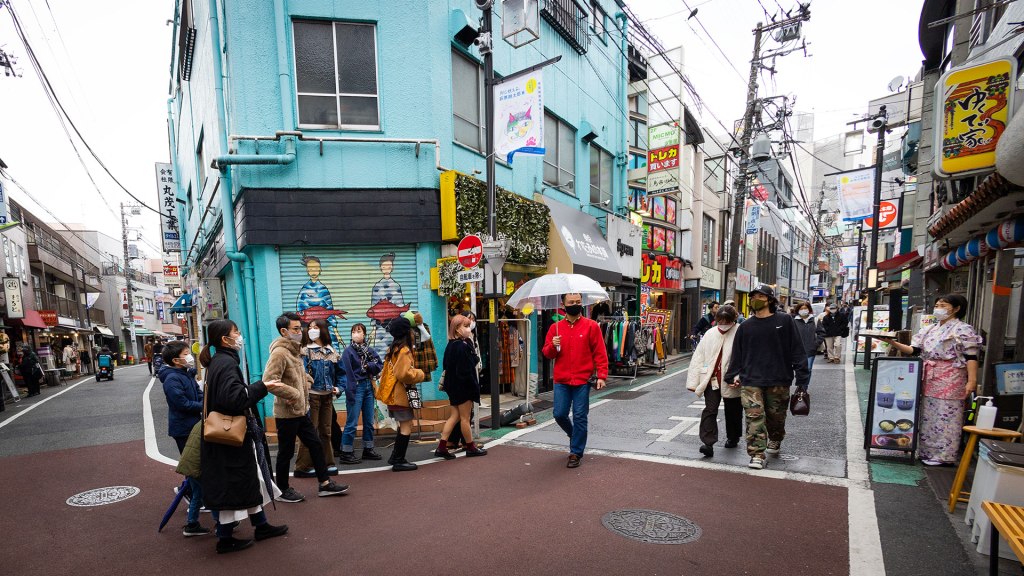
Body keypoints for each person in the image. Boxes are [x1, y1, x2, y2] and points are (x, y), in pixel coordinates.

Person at [198, 319, 288, 554]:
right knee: (235, 486)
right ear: (225, 339)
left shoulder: (218, 362)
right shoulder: (227, 364)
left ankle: (261, 525)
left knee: (252, 479)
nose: (240, 336)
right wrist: (262, 387)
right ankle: (225, 539)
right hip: (230, 438)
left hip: (224, 439)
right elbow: (235, 398)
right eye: (236, 332)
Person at [879, 294, 982, 466]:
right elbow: (914, 350)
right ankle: (926, 452)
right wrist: (892, 342)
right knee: (927, 414)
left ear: (956, 309)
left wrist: (972, 380)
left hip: (952, 376)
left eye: (944, 304)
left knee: (947, 414)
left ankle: (944, 455)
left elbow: (971, 356)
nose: (939, 307)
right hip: (929, 376)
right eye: (937, 304)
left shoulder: (963, 329)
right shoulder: (930, 329)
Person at [263, 312, 348, 502]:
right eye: (295, 329)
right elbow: (269, 381)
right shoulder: (280, 353)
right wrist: (294, 394)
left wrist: (307, 382)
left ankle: (325, 484)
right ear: (284, 331)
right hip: (286, 412)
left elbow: (301, 374)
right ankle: (283, 489)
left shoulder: (295, 351)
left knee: (315, 444)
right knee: (286, 451)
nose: (300, 331)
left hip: (301, 410)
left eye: (299, 328)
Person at [724, 285, 810, 470]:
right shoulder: (745, 326)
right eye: (753, 296)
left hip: (779, 379)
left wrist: (802, 380)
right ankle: (756, 454)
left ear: (770, 300)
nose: (755, 299)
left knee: (775, 418)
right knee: (754, 417)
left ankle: (776, 438)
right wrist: (731, 375)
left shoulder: (785, 321)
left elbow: (797, 350)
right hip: (751, 380)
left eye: (760, 296)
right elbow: (737, 354)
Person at [541, 293, 609, 468]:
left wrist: (601, 375)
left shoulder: (591, 326)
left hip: (583, 379)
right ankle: (574, 435)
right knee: (559, 414)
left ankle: (575, 452)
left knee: (580, 416)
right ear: (563, 305)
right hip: (562, 379)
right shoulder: (555, 328)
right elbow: (547, 354)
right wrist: (553, 345)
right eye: (571, 302)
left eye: (578, 302)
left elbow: (600, 352)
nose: (575, 305)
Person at [159, 340, 209, 537]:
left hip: (193, 426)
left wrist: (203, 401)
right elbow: (182, 403)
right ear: (175, 360)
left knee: (197, 473)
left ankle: (194, 519)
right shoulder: (172, 379)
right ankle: (202, 518)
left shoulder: (185, 374)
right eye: (186, 353)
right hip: (184, 429)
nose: (190, 356)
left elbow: (197, 395)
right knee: (198, 473)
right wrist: (204, 406)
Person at [686, 305, 742, 457]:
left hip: (732, 379)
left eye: (727, 321)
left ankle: (733, 436)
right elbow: (698, 357)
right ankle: (708, 443)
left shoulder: (740, 332)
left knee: (733, 411)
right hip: (711, 379)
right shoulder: (710, 333)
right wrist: (693, 382)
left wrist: (740, 377)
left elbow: (745, 359)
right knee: (710, 410)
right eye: (720, 320)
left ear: (733, 319)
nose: (723, 324)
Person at [294, 318, 345, 474]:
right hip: (312, 397)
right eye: (310, 327)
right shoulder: (305, 351)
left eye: (315, 327)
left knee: (326, 431)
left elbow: (341, 373)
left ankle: (327, 463)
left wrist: (339, 387)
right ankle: (303, 466)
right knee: (310, 431)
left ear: (323, 329)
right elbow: (300, 374)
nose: (312, 329)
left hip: (327, 397)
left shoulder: (332, 351)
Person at [434, 314, 487, 460]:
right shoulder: (462, 346)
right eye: (465, 326)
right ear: (457, 329)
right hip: (463, 387)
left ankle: (442, 446)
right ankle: (470, 447)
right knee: (465, 418)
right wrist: (473, 389)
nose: (469, 328)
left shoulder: (451, 345)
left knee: (455, 416)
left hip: (453, 387)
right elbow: (467, 368)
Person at [379, 316, 427, 471]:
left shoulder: (393, 348)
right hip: (401, 395)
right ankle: (399, 460)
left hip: (394, 395)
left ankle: (395, 457)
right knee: (406, 426)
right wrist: (419, 373)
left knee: (404, 425)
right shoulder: (404, 351)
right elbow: (403, 374)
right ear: (407, 332)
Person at [339, 323, 384, 464]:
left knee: (369, 421)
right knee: (352, 422)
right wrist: (350, 391)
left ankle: (368, 449)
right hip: (356, 387)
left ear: (364, 334)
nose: (356, 333)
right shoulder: (348, 352)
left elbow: (379, 365)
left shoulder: (369, 350)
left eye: (359, 331)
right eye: (353, 331)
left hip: (368, 386)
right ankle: (346, 452)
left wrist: (367, 366)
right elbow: (347, 373)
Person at [794, 301, 826, 372]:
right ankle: (801, 383)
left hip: (810, 350)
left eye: (805, 308)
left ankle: (804, 383)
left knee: (808, 369)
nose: (803, 310)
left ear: (809, 309)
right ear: (798, 310)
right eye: (801, 309)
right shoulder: (793, 321)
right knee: (798, 370)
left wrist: (816, 344)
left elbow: (821, 333)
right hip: (797, 351)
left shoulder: (815, 320)